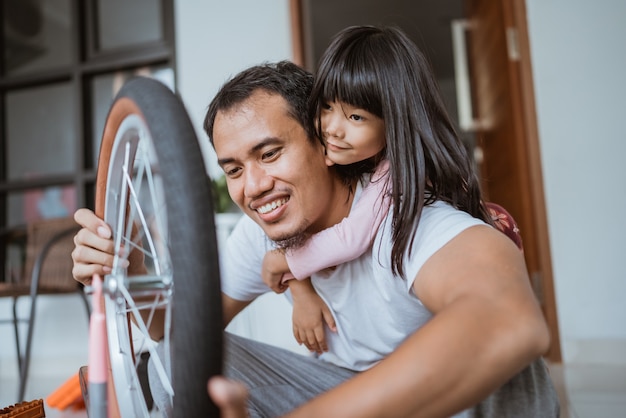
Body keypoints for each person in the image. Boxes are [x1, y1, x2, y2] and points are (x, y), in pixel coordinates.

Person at [73, 27, 559, 418]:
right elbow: (172, 329)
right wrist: (125, 257)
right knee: (175, 363)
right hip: (348, 388)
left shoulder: (406, 215)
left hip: (445, 405)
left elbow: (510, 322)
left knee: (508, 375)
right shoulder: (261, 231)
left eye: (270, 153)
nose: (254, 185)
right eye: (235, 169)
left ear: (326, 145)